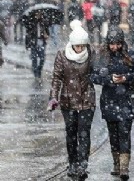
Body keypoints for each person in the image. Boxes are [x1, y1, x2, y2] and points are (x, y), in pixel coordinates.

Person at [91, 26, 134, 180]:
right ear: (108, 43)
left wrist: (126, 78)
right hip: (109, 101)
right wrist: (109, 80)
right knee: (113, 135)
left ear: (122, 42)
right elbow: (94, 77)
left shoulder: (129, 54)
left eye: (118, 43)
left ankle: (124, 168)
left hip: (127, 101)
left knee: (124, 133)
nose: (115, 47)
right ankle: (116, 165)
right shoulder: (102, 56)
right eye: (112, 44)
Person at [47, 20, 95, 179]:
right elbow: (57, 78)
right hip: (68, 101)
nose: (80, 49)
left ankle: (82, 164)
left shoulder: (91, 53)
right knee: (71, 133)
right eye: (77, 46)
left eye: (82, 46)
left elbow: (98, 71)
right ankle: (73, 162)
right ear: (72, 44)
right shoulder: (62, 54)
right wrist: (53, 97)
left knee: (84, 133)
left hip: (87, 100)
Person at [25, 12, 49, 78]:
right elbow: (28, 34)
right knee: (34, 58)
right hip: (34, 42)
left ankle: (39, 69)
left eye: (39, 14)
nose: (38, 15)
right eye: (37, 14)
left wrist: (46, 35)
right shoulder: (31, 22)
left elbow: (47, 32)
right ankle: (35, 72)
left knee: (42, 58)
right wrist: (27, 45)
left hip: (41, 42)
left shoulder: (44, 22)